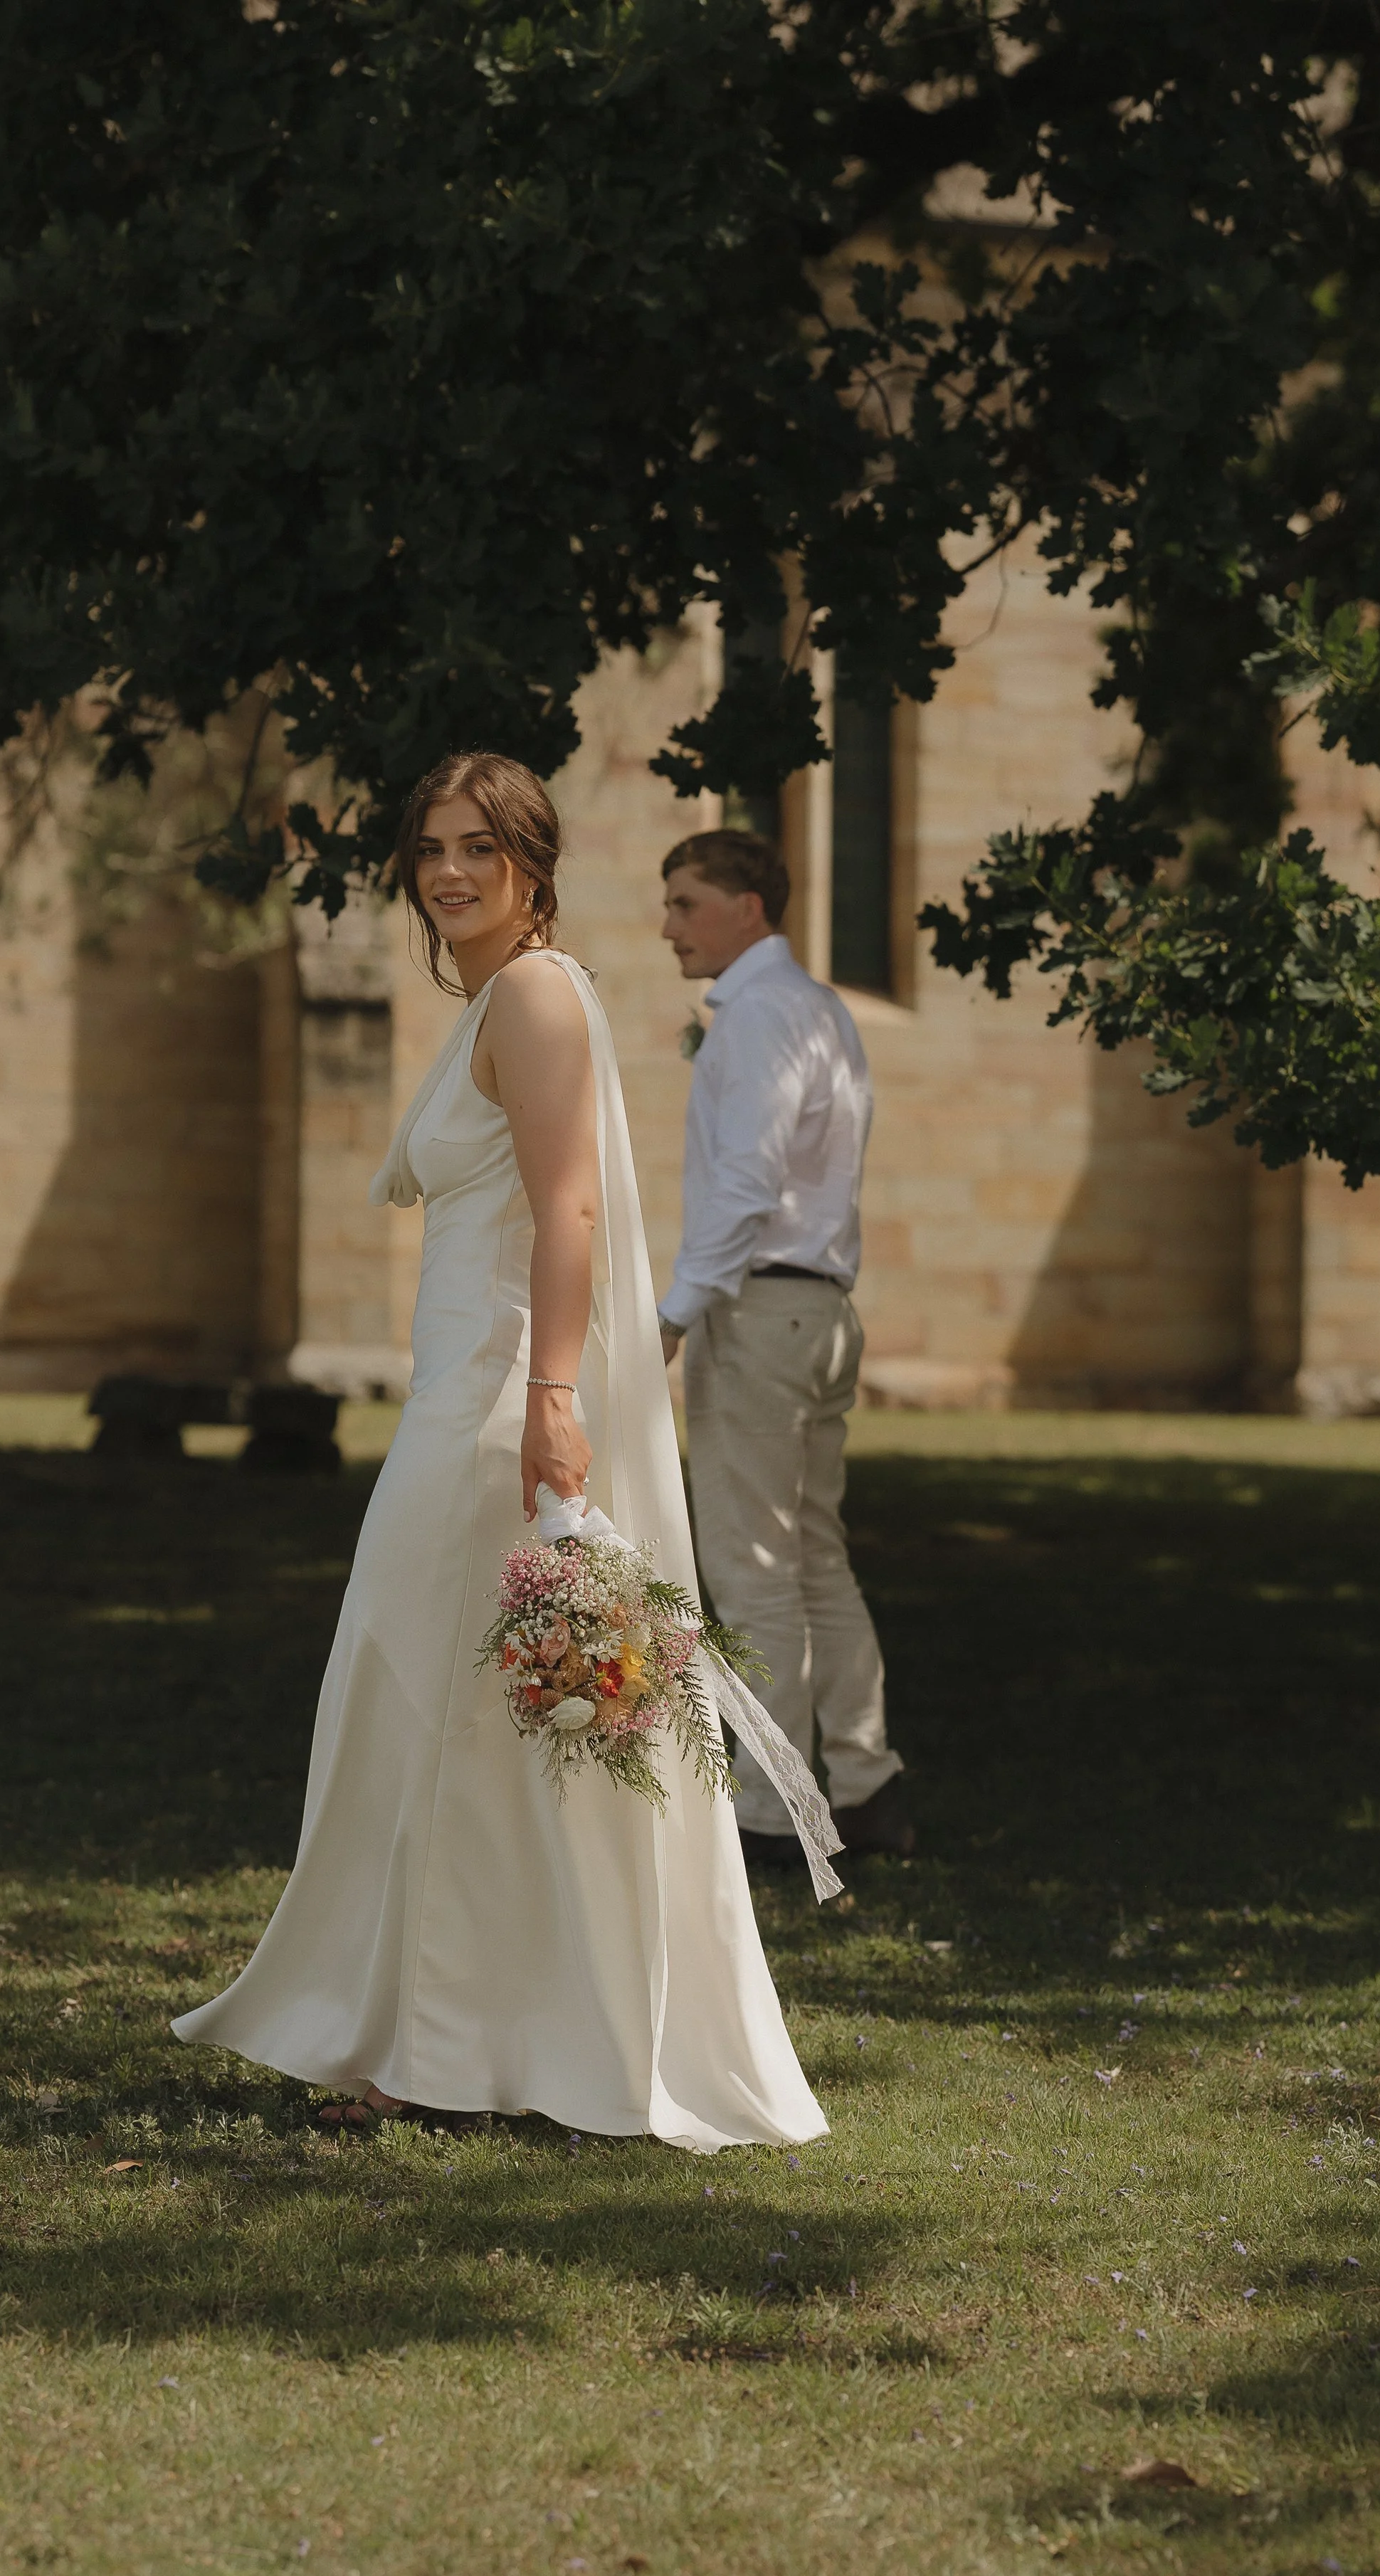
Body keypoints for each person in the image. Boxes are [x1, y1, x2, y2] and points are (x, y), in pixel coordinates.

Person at [173, 756, 826, 2153]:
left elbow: (569, 1210)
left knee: (447, 1704)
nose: (449, 871)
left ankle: (453, 2047)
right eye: (431, 849)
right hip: (454, 1392)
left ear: (534, 864)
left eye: (481, 848)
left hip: (493, 1406)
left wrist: (547, 1398)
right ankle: (449, 2033)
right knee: (438, 1704)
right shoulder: (498, 996)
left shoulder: (533, 994)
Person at [657, 830, 913, 1869]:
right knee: (812, 1556)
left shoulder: (764, 1016)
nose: (666, 924)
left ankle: (773, 1816)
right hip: (820, 1312)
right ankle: (866, 1786)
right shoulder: (819, 1009)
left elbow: (747, 1185)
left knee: (754, 1565)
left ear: (749, 906)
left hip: (762, 1313)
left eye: (685, 903)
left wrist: (674, 1313)